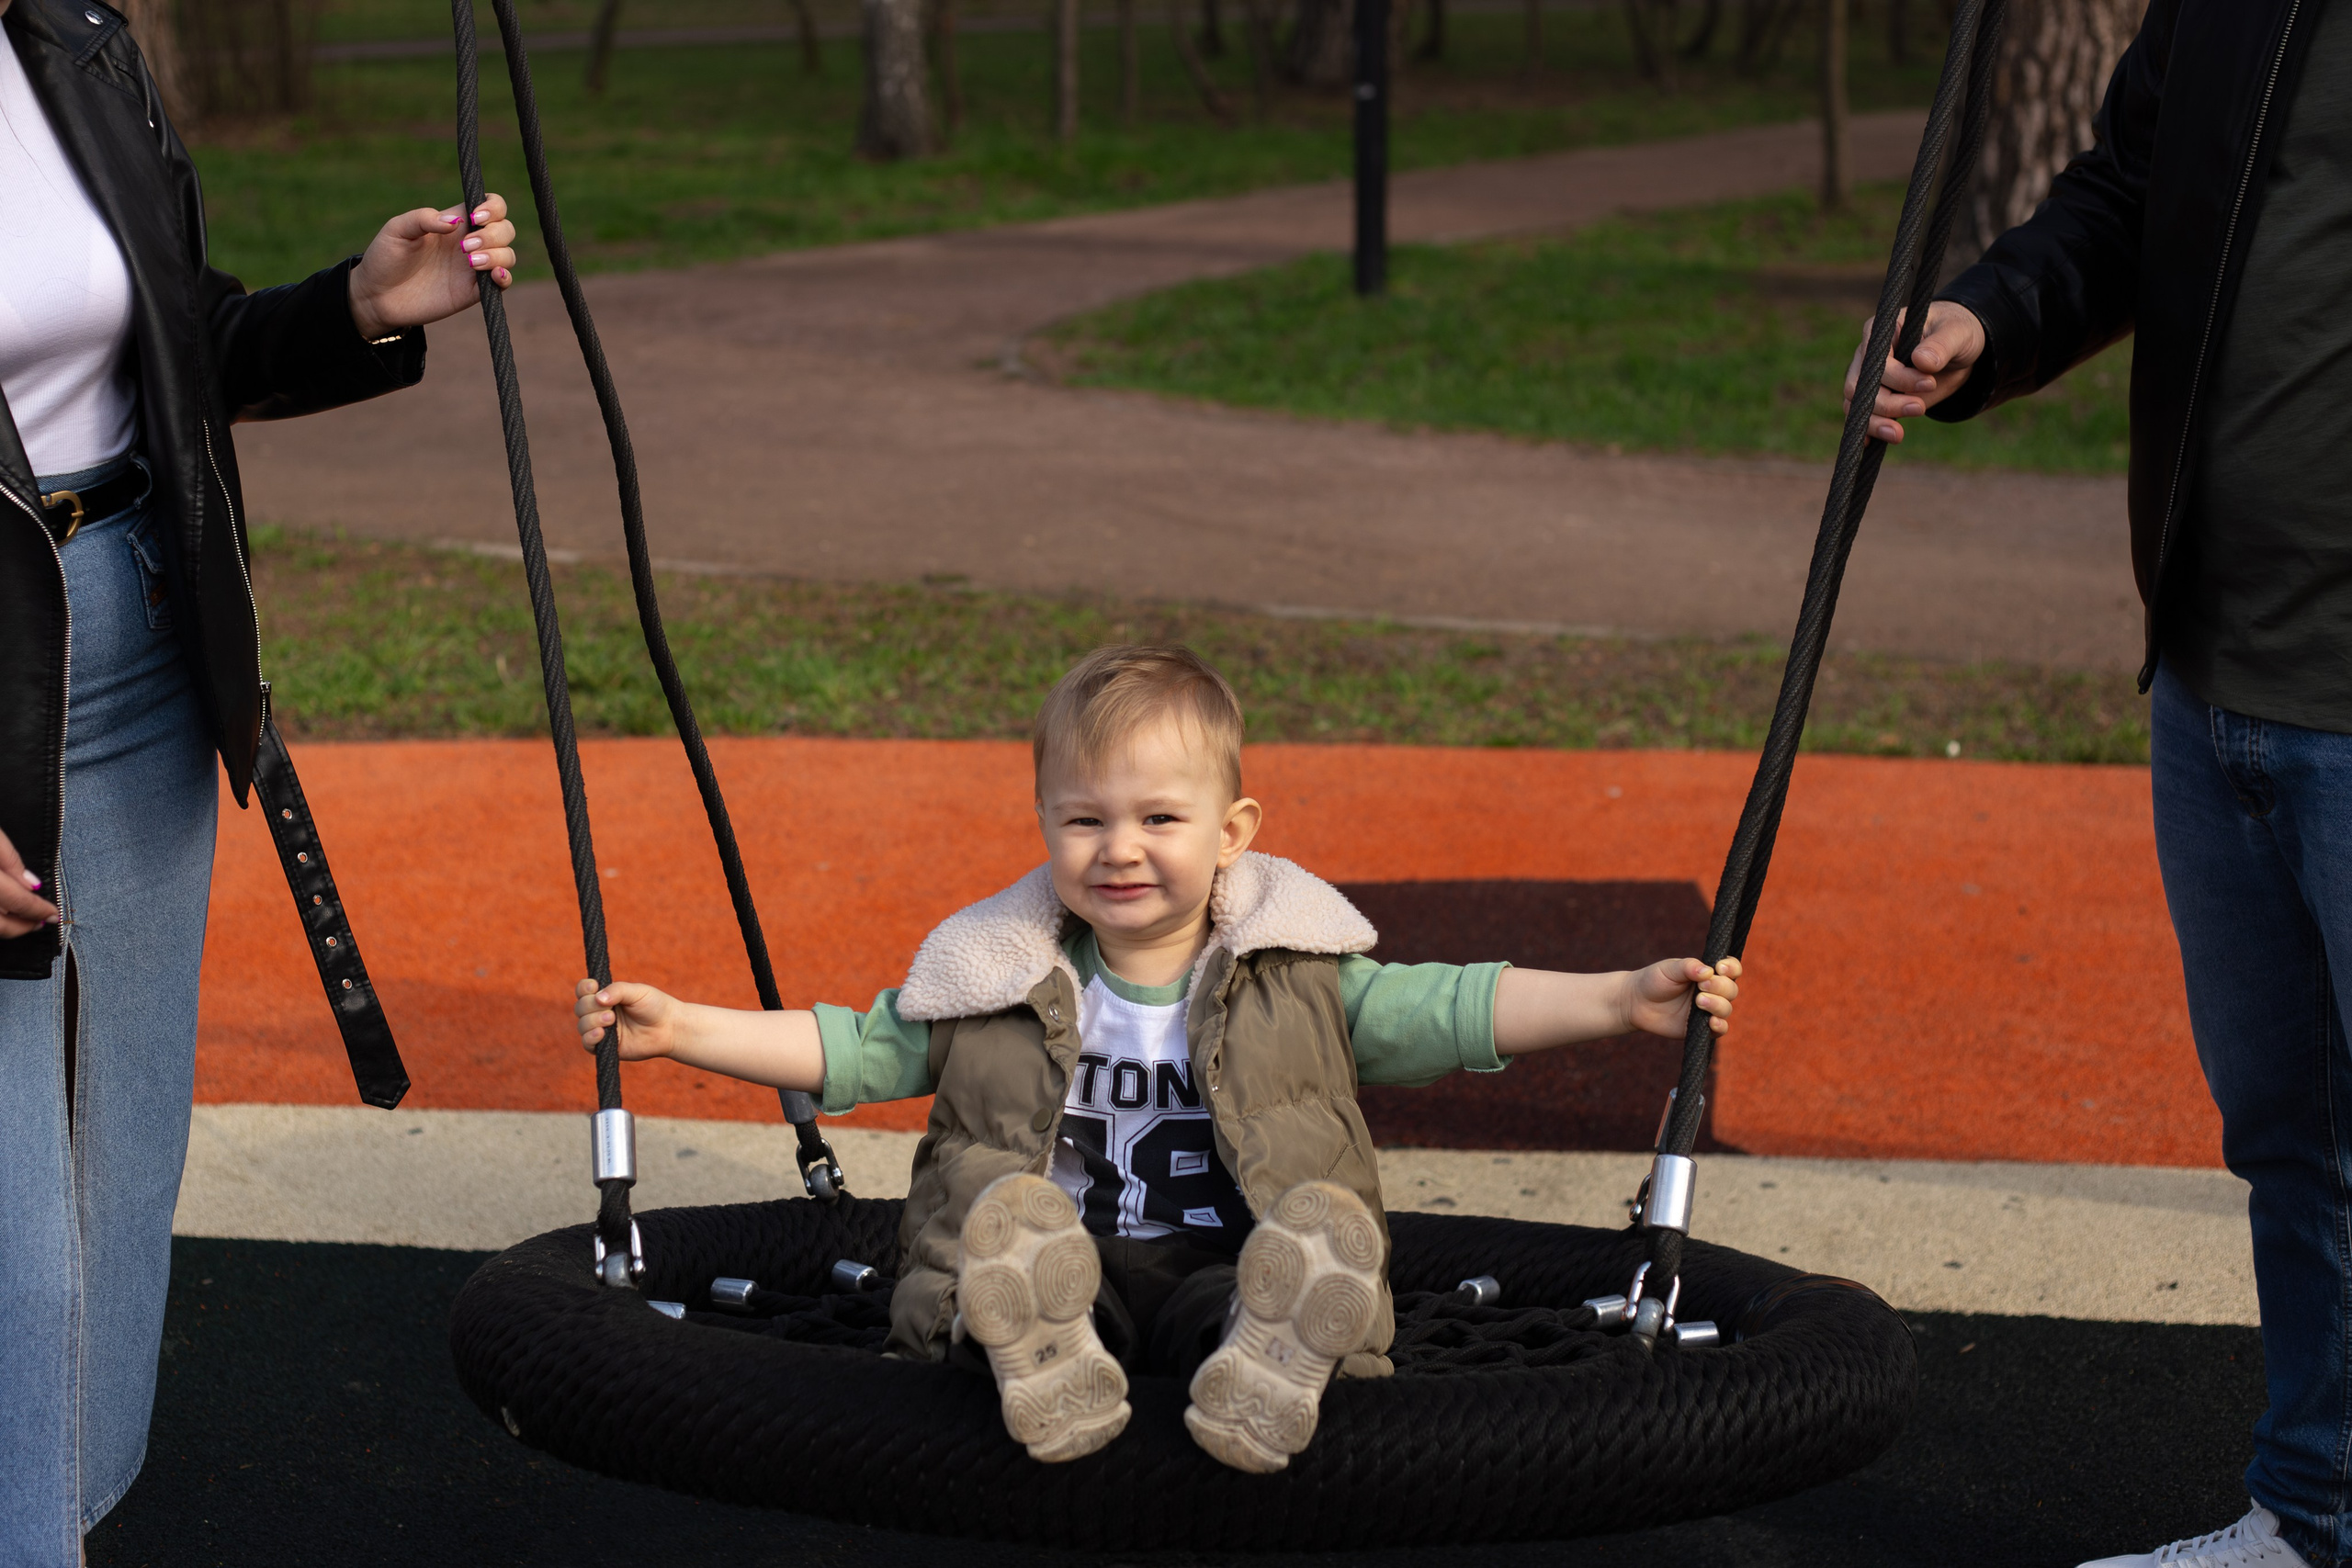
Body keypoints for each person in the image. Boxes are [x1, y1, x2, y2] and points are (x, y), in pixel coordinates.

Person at [575, 644, 1741, 1471]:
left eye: (1159, 819)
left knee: (1237, 1302)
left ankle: (1267, 1361)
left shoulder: (1295, 975)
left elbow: (1454, 1008)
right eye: (1084, 820)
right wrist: (684, 1029)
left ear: (1232, 834)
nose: (1119, 849)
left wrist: (1613, 999)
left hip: (1229, 1263)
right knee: (1024, 1277)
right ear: (1044, 825)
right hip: (1056, 1263)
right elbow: (851, 1046)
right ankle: (1043, 1355)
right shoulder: (997, 974)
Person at [0, 0, 518, 1556]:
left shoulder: (70, 42)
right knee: (17, 1238)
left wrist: (360, 304)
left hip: (139, 647)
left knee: (111, 1191)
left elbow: (174, 345)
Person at [1846, 3, 2352, 1563]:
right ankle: (2314, 1514)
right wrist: (1987, 315)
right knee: (2298, 1139)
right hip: (2216, 670)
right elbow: (2134, 188)